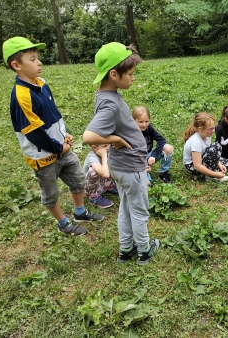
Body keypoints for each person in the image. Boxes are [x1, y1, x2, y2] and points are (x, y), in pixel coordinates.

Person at [2, 36, 103, 237]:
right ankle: (62, 223)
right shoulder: (21, 96)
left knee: (77, 180)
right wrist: (58, 147)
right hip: (44, 157)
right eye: (32, 59)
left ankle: (79, 212)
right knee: (51, 193)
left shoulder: (41, 83)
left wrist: (64, 135)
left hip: (61, 147)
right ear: (16, 65)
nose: (39, 62)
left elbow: (53, 114)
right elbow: (33, 132)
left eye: (37, 58)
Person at [82, 42, 160, 265]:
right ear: (114, 74)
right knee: (139, 211)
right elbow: (88, 137)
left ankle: (126, 250)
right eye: (131, 74)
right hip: (130, 168)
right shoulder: (111, 104)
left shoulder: (106, 94)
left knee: (126, 209)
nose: (134, 78)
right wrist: (114, 139)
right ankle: (144, 251)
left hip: (120, 166)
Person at [183, 112, 228, 182]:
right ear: (200, 129)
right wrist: (215, 174)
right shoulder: (196, 142)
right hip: (193, 166)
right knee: (217, 147)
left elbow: (209, 153)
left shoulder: (207, 136)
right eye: (210, 129)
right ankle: (211, 176)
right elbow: (197, 165)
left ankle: (204, 174)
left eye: (213, 128)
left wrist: (219, 164)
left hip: (203, 158)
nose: (213, 131)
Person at [132, 106, 173, 184]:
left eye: (146, 121)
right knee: (147, 184)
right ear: (133, 121)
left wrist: (153, 155)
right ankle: (146, 178)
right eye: (140, 122)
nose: (144, 124)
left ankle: (163, 173)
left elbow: (161, 140)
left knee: (168, 148)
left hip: (149, 155)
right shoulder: (131, 132)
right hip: (138, 159)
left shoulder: (149, 128)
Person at [83, 144, 118, 208]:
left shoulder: (108, 151)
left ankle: (110, 186)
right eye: (104, 146)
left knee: (113, 163)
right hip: (89, 187)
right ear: (94, 147)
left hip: (101, 182)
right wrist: (104, 157)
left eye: (109, 144)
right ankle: (93, 197)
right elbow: (105, 174)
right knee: (93, 172)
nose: (108, 147)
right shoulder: (92, 157)